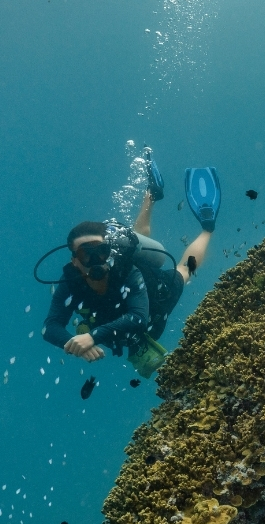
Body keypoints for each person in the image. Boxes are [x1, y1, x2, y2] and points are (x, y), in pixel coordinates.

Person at [40, 151, 220, 376]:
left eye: (101, 252)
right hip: (116, 326)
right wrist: (74, 343)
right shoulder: (70, 281)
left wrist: (92, 337)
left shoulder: (127, 271)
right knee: (137, 237)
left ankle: (207, 227)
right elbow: (50, 327)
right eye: (86, 254)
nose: (95, 261)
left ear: (110, 252)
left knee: (184, 269)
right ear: (74, 261)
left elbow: (138, 317)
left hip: (156, 295)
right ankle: (151, 193)